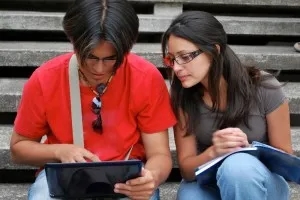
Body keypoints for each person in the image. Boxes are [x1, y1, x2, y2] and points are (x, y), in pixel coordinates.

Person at [10, 0, 176, 199]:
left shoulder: (145, 77)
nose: (99, 69)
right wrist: (60, 151)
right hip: (66, 176)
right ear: (74, 42)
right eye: (90, 57)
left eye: (111, 58)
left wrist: (151, 178)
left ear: (126, 48)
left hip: (126, 179)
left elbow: (160, 154)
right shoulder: (45, 78)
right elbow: (18, 149)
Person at [161, 11, 293, 200]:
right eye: (171, 59)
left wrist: (247, 150)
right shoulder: (182, 95)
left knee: (237, 167)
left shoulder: (265, 87)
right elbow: (187, 170)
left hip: (259, 182)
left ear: (214, 50)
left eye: (185, 57)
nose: (176, 67)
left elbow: (285, 161)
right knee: (190, 196)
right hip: (210, 182)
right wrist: (214, 151)